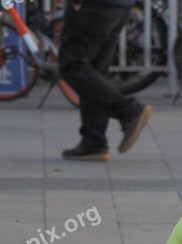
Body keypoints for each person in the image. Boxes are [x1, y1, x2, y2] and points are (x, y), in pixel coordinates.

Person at [59, 0, 153, 161]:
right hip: (120, 7)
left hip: (94, 6)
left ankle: (129, 111)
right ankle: (93, 142)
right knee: (96, 70)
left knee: (72, 65)